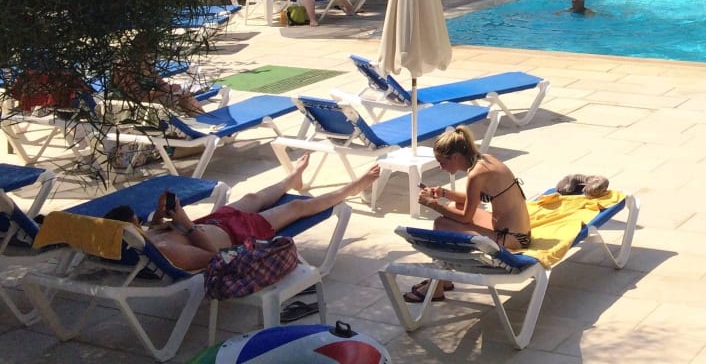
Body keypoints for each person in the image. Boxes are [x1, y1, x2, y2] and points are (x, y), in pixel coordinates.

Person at [103, 154, 379, 272]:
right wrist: (186, 224)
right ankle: (351, 189)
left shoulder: (144, 239)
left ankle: (291, 179)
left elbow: (160, 232)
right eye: (139, 223)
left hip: (215, 221)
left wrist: (160, 217)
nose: (142, 224)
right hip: (239, 233)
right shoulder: (166, 251)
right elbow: (214, 258)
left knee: (252, 197)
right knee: (297, 207)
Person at [407, 126, 531, 302]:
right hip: (517, 232)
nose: (441, 168)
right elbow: (472, 199)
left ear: (456, 157)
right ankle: (442, 279)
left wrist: (432, 204)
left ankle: (437, 284)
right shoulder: (485, 160)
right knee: (454, 206)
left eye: (442, 162)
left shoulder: (476, 175)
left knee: (442, 224)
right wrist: (443, 193)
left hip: (511, 238)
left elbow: (465, 217)